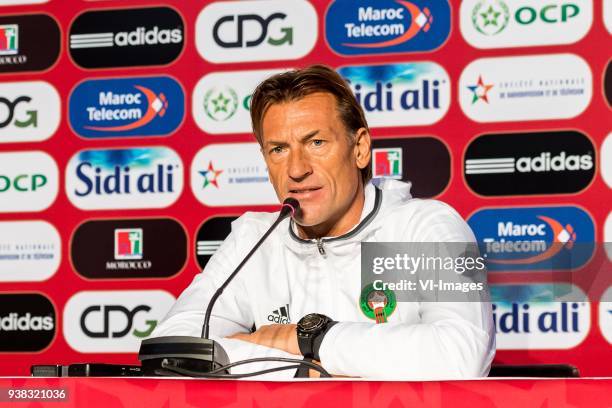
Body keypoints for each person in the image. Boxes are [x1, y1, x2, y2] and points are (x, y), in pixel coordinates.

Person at [150, 65, 495, 379]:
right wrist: (305, 371)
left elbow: (460, 354)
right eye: (279, 149)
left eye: (316, 142)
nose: (297, 169)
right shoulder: (254, 238)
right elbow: (172, 348)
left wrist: (310, 338)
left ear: (359, 149)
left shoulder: (421, 228)